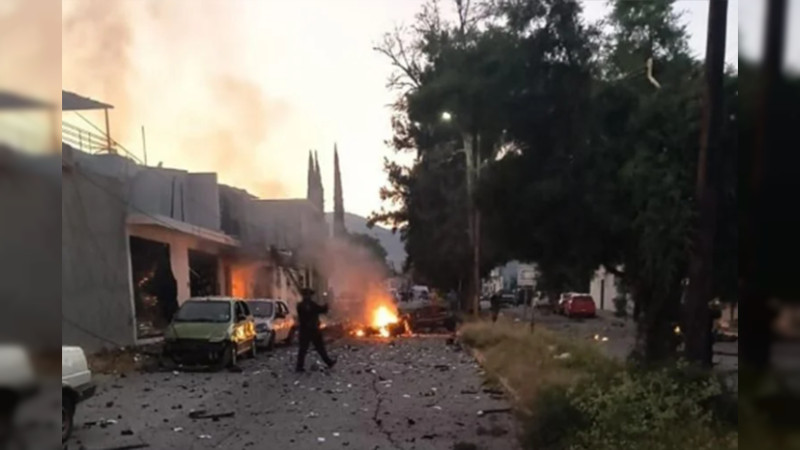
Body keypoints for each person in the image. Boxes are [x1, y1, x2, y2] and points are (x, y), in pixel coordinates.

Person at [295, 288, 336, 373]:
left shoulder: (301, 305)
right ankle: (328, 362)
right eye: (309, 295)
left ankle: (300, 366)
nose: (309, 296)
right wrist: (327, 304)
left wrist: (326, 305)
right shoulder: (308, 305)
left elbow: (320, 310)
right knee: (316, 348)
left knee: (305, 349)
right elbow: (322, 310)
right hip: (311, 330)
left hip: (306, 330)